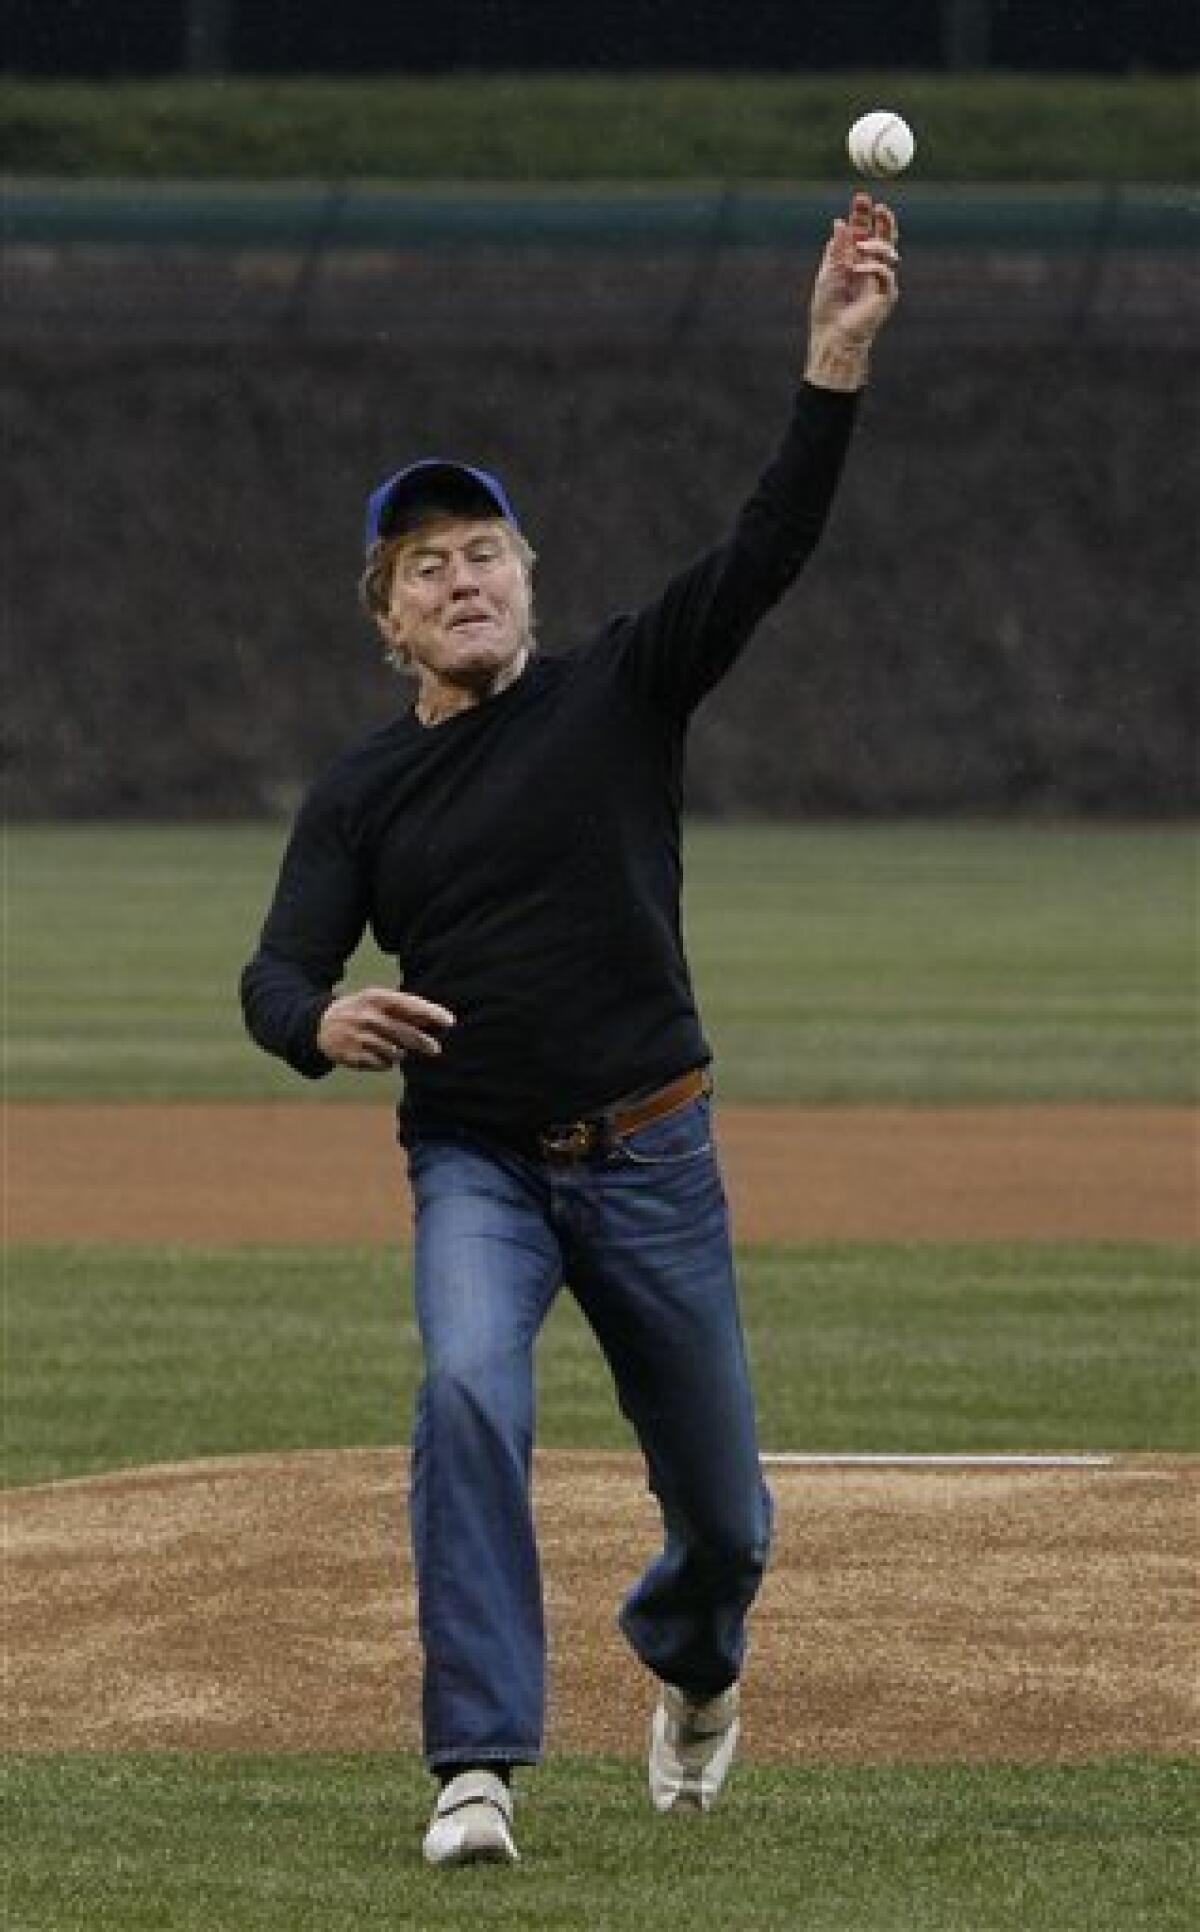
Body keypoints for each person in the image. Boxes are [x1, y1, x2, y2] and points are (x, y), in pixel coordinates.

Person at [240, 191, 899, 1867]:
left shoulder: (622, 687)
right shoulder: (362, 793)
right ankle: (476, 1766)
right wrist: (321, 1016)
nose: (460, 579)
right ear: (387, 621)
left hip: (656, 1151)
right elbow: (271, 977)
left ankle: (689, 1669)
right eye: (423, 568)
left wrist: (830, 360)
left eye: (482, 554)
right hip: (477, 1163)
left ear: (529, 580)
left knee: (729, 1527)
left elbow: (768, 546)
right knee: (468, 1388)